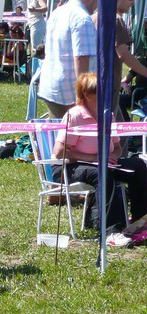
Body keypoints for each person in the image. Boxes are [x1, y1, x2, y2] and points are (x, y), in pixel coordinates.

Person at [52, 73, 147, 247]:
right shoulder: (74, 115)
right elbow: (59, 152)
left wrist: (114, 156)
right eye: (98, 91)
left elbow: (117, 147)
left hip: (101, 163)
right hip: (70, 167)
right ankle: (111, 231)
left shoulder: (107, 114)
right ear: (86, 94)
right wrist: (94, 158)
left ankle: (140, 221)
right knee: (103, 173)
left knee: (139, 165)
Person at [38, 0, 97, 119]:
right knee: (81, 136)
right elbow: (81, 58)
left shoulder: (57, 12)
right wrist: (83, 96)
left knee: (59, 134)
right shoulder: (83, 19)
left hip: (52, 87)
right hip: (71, 92)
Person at [93, 0, 147, 124]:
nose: (133, 4)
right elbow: (124, 55)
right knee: (111, 134)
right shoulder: (116, 20)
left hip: (95, 83)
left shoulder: (96, 17)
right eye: (131, 0)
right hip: (108, 86)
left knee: (119, 136)